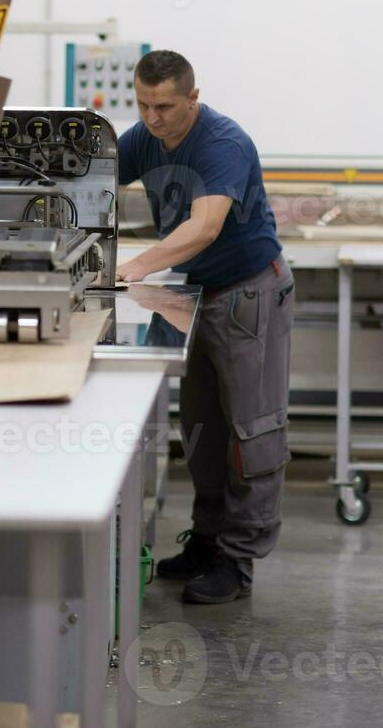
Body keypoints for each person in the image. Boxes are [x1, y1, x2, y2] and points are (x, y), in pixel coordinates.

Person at [115, 50, 295, 605]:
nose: (153, 118)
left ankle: (237, 563)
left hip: (248, 292)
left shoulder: (223, 143)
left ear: (193, 98)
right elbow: (90, 183)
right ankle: (208, 540)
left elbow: (205, 225)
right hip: (193, 294)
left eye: (165, 106)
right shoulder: (144, 137)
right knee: (203, 431)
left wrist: (135, 266)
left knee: (252, 431)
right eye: (143, 105)